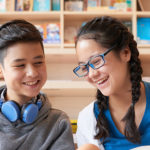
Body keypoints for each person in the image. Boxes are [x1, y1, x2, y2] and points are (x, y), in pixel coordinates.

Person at [73, 16, 150, 150]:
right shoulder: (88, 118)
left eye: (96, 61)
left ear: (125, 53)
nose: (91, 74)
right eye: (84, 68)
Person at [0, 19, 75, 150]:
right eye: (20, 65)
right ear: (1, 70)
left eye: (38, 62)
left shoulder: (58, 122)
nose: (32, 73)